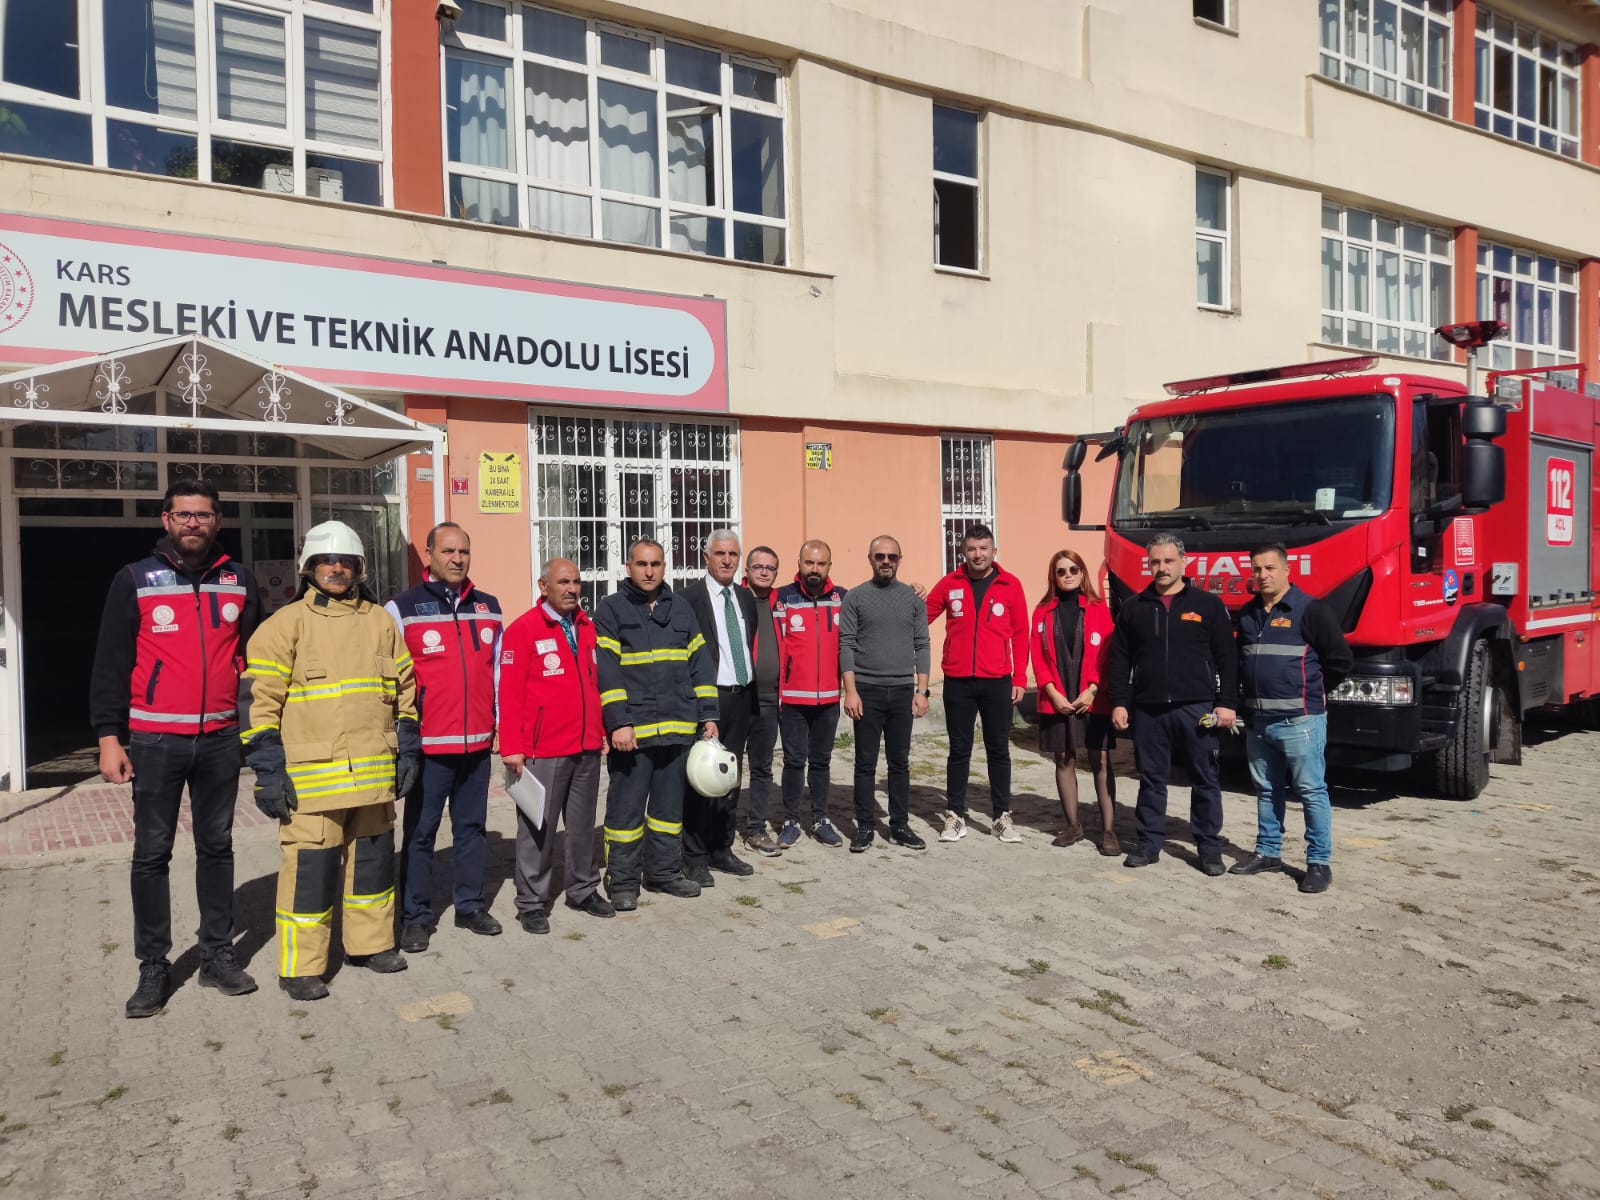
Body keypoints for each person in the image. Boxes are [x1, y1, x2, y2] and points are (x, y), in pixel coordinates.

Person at [91, 480, 261, 1018]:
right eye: (183, 515)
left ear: (217, 521)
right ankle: (154, 965)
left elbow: (257, 658)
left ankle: (216, 954)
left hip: (218, 739)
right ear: (166, 520)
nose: (193, 523)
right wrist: (107, 736)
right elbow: (111, 662)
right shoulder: (134, 579)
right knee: (151, 854)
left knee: (217, 847)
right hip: (155, 739)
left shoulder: (239, 579)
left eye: (203, 515)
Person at [241, 521, 420, 1001]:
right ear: (309, 568)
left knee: (372, 867)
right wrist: (267, 768)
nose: (337, 569)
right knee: (310, 875)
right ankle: (301, 966)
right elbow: (259, 702)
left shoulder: (381, 621)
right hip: (312, 781)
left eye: (346, 562)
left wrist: (409, 741)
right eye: (327, 561)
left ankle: (371, 945)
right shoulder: (284, 626)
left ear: (360, 567)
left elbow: (404, 688)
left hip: (375, 775)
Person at [387, 522, 504, 953]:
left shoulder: (489, 607)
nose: (457, 559)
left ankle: (470, 906)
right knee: (421, 832)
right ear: (429, 554)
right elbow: (390, 679)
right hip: (430, 747)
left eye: (464, 552)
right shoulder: (401, 609)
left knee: (472, 829)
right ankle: (415, 916)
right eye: (448, 551)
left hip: (476, 744)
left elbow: (497, 674)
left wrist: (500, 727)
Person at [594, 538, 719, 910]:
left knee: (668, 811)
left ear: (665, 567)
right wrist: (617, 723)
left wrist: (708, 715)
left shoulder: (680, 608)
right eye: (642, 564)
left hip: (678, 728)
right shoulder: (611, 609)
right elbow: (607, 671)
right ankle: (623, 880)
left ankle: (663, 873)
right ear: (628, 566)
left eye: (657, 564)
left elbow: (700, 664)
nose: (649, 571)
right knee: (625, 814)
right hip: (632, 735)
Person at [1105, 534, 1238, 875]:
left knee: (1205, 778)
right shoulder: (1134, 607)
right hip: (1149, 709)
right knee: (1151, 779)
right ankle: (1149, 844)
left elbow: (1228, 658)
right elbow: (1119, 660)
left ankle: (1209, 848)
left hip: (1198, 709)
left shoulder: (1207, 605)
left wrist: (1226, 704)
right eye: (1155, 562)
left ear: (1183, 562)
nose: (1161, 568)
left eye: (1168, 561)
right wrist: (1120, 702)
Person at [1229, 543, 1353, 894]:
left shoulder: (1310, 610)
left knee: (1311, 791)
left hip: (1300, 721)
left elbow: (1340, 660)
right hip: (1259, 721)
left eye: (1269, 568)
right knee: (1267, 791)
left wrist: (1313, 691)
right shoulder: (1249, 614)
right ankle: (1268, 852)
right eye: (1256, 569)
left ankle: (1318, 863)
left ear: (1287, 570)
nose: (1262, 575)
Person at [498, 557, 613, 931]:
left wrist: (603, 730)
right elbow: (510, 692)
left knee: (581, 825)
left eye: (577, 582)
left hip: (585, 746)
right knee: (538, 828)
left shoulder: (587, 627)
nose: (572, 589)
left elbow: (596, 684)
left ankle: (582, 889)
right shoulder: (523, 630)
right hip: (541, 749)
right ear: (543, 586)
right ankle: (531, 901)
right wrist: (511, 745)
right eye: (563, 582)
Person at [925, 525, 1031, 843]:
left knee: (998, 750)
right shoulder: (949, 584)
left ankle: (1002, 817)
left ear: (993, 551)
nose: (978, 554)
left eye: (984, 548)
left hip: (998, 680)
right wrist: (909, 594)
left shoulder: (1011, 585)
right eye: (972, 548)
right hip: (958, 681)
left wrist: (1020, 678)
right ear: (964, 552)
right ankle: (955, 816)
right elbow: (920, 615)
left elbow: (1021, 633)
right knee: (959, 750)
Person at [840, 535, 930, 853]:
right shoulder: (855, 598)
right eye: (880, 556)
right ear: (870, 559)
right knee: (865, 763)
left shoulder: (913, 599)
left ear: (900, 559)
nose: (886, 561)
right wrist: (850, 691)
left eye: (892, 556)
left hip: (903, 691)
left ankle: (900, 825)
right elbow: (846, 645)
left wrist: (922, 690)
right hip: (867, 690)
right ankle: (864, 826)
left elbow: (922, 644)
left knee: (899, 763)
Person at [681, 529, 761, 884]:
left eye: (733, 554)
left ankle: (721, 848)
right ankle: (695, 856)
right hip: (708, 698)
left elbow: (746, 642)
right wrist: (701, 707)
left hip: (740, 696)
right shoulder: (689, 599)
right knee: (702, 778)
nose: (727, 560)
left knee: (730, 777)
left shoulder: (744, 598)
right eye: (720, 554)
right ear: (706, 557)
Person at [1030, 549, 1120, 854]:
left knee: (1101, 760)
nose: (1067, 575)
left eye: (1073, 570)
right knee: (1064, 759)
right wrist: (1052, 692)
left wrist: (1093, 689)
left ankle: (1108, 830)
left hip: (1092, 697)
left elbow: (1108, 654)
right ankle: (1073, 825)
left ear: (1082, 573)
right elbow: (1037, 656)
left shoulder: (1098, 608)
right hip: (1057, 696)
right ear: (1053, 576)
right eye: (1061, 571)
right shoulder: (1042, 611)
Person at [773, 540, 849, 847]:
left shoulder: (842, 598)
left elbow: (875, 604)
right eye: (809, 563)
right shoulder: (782, 599)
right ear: (799, 563)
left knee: (821, 761)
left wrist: (914, 589)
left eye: (820, 564)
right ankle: (790, 820)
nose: (814, 569)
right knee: (794, 761)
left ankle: (819, 818)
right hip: (792, 697)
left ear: (829, 566)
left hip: (829, 697)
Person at [739, 545, 784, 857]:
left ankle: (756, 828)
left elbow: (835, 595)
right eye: (758, 567)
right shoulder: (735, 600)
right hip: (737, 698)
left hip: (770, 701)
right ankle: (717, 826)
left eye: (770, 568)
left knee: (762, 767)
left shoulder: (783, 601)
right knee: (726, 767)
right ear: (748, 571)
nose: (764, 572)